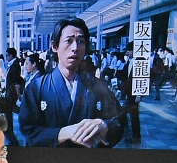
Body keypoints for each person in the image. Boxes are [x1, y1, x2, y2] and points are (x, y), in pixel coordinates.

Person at [19, 18, 123, 148]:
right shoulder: (37, 87)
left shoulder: (97, 86)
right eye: (69, 41)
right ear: (55, 46)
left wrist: (104, 125)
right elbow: (28, 130)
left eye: (80, 41)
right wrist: (64, 132)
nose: (75, 48)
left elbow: (119, 120)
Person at [2, 47, 23, 145]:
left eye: (7, 55)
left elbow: (15, 81)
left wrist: (17, 94)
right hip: (10, 91)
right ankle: (9, 133)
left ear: (11, 55)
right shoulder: (13, 65)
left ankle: (10, 134)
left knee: (9, 109)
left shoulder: (15, 66)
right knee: (9, 111)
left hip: (12, 93)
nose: (6, 57)